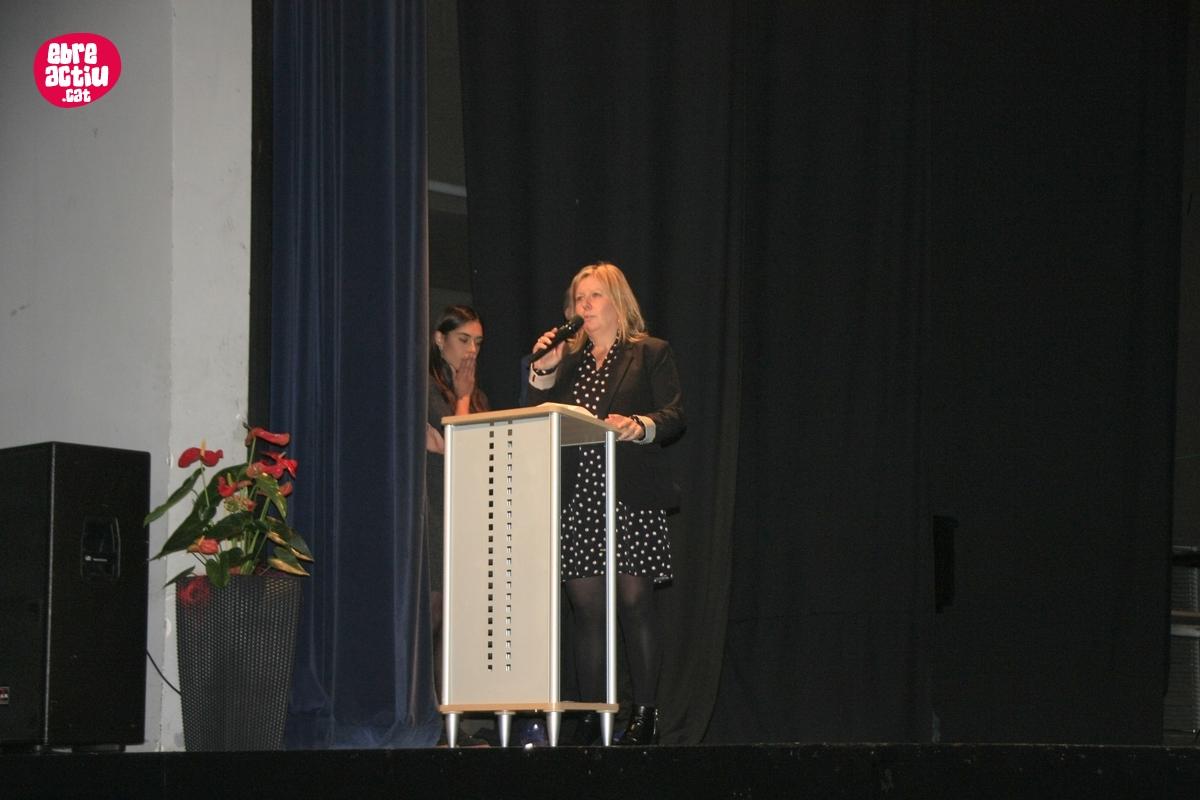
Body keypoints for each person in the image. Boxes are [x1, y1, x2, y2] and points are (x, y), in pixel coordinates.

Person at [527, 262, 685, 746]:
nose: (584, 306)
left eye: (594, 296)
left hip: (628, 493)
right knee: (586, 609)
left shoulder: (649, 352)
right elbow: (536, 415)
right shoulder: (569, 363)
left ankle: (646, 714)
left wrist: (638, 426)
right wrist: (543, 367)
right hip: (580, 498)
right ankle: (594, 717)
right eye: (578, 299)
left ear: (618, 302)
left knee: (635, 603)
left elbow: (674, 415)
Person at [426, 305, 489, 745]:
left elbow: (473, 453)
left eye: (478, 343)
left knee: (455, 623)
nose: (471, 351)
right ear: (439, 339)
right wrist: (462, 403)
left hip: (464, 513)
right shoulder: (427, 386)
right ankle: (429, 722)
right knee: (432, 613)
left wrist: (451, 441)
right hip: (432, 509)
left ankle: (452, 725)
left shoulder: (474, 393)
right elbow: (460, 445)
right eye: (463, 340)